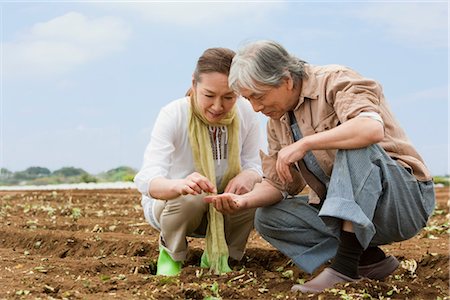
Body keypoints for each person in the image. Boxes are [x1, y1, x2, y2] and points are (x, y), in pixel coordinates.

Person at [204, 40, 435, 293]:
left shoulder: (335, 80)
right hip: (355, 214)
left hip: (401, 202)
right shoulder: (277, 120)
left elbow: (370, 128)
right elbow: (280, 184)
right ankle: (369, 262)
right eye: (249, 100)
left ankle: (344, 268)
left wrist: (305, 143)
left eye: (259, 96)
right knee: (269, 218)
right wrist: (243, 202)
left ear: (286, 80)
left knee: (355, 143)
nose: (256, 108)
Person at [134, 47, 262, 276]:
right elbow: (146, 179)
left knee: (256, 194)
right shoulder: (174, 114)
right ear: (194, 84)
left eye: (229, 97)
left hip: (222, 204)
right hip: (176, 209)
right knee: (190, 198)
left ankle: (226, 258)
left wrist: (248, 175)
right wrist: (178, 185)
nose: (218, 106)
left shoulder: (246, 113)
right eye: (209, 95)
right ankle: (171, 256)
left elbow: (254, 164)